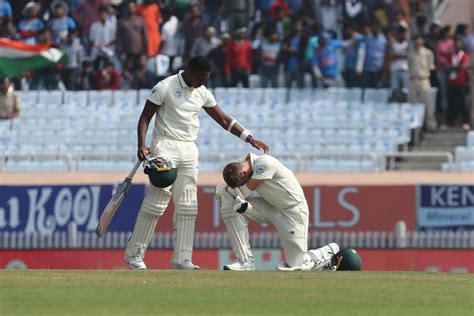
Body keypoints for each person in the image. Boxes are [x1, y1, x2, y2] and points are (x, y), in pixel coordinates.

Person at [124, 56, 269, 270]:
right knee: (157, 202)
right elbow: (145, 117)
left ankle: (182, 259)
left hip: (189, 149)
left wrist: (249, 137)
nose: (203, 82)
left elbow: (224, 120)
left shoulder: (201, 92)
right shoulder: (165, 86)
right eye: (201, 77)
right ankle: (134, 255)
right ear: (189, 71)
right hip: (165, 146)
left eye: (206, 78)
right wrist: (141, 144)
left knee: (188, 205)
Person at [214, 153, 340, 271]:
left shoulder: (264, 163)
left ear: (243, 173)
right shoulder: (243, 167)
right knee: (229, 198)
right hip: (270, 207)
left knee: (296, 264)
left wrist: (223, 189)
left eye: (241, 183)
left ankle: (329, 251)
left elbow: (244, 192)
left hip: (292, 212)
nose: (242, 184)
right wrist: (226, 191)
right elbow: (237, 192)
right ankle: (244, 261)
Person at [408, 35, 437, 132]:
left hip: (424, 80)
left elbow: (431, 67)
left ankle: (431, 126)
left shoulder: (428, 53)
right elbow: (409, 65)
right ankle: (415, 128)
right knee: (413, 104)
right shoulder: (410, 53)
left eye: (420, 41)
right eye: (416, 41)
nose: (418, 43)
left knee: (428, 104)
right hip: (413, 80)